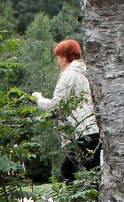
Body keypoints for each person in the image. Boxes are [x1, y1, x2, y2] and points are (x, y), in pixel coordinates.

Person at [31, 39, 98, 180]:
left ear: (65, 57)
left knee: (68, 171)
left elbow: (56, 105)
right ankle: (93, 199)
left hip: (82, 131)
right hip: (94, 128)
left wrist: (39, 99)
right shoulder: (87, 73)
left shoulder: (69, 75)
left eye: (58, 57)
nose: (58, 61)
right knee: (93, 171)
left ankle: (77, 201)